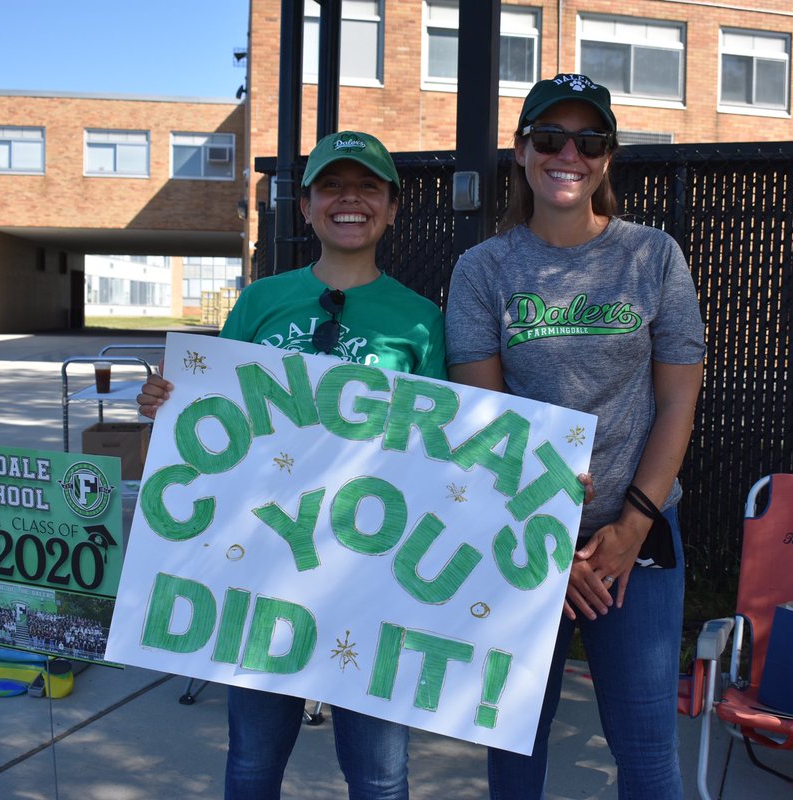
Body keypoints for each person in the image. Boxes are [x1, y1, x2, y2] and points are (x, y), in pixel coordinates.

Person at [137, 130, 446, 800]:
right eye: (332, 185)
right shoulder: (259, 302)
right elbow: (215, 424)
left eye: (368, 187)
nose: (350, 199)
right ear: (305, 207)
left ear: (392, 209)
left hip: (369, 576)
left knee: (381, 774)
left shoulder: (421, 322)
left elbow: (442, 455)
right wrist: (170, 403)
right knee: (251, 760)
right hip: (263, 567)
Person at [445, 74, 706, 798]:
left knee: (648, 748)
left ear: (608, 156)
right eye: (550, 138)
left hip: (640, 532)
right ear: (522, 152)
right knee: (516, 743)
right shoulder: (482, 270)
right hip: (523, 535)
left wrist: (632, 526)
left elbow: (677, 404)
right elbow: (484, 419)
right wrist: (547, 543)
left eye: (589, 140)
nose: (570, 153)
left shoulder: (653, 257)